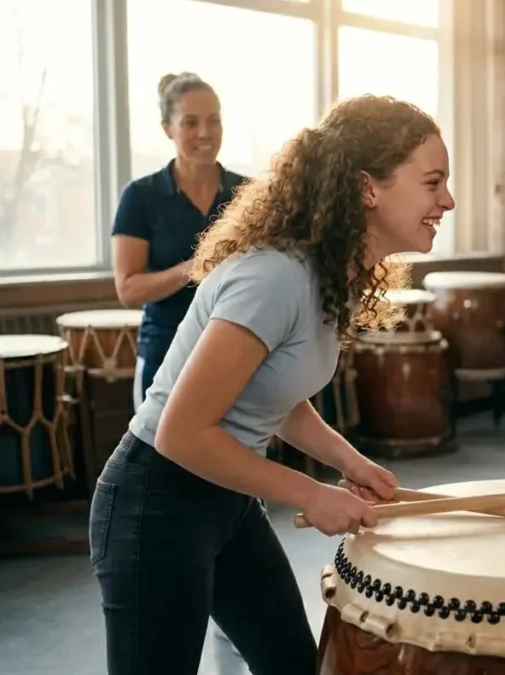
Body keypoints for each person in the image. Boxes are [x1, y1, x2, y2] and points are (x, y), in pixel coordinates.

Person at [89, 95, 456, 675]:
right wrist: (313, 493)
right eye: (433, 182)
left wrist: (350, 461)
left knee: (291, 666)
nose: (448, 200)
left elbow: (275, 397)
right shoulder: (275, 275)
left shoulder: (329, 274)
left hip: (224, 500)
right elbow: (181, 434)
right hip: (155, 504)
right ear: (368, 188)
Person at [112, 72, 245, 410]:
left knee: (233, 461)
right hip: (166, 355)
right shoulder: (140, 196)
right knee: (162, 462)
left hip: (238, 354)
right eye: (190, 122)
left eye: (213, 120)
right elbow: (128, 290)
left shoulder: (248, 195)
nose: (205, 133)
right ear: (167, 128)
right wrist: (195, 267)